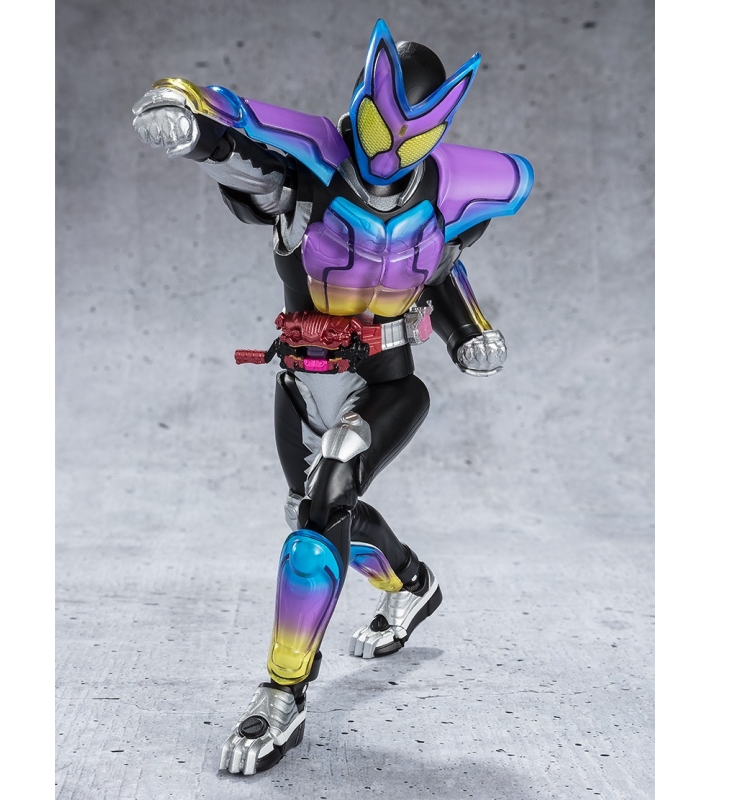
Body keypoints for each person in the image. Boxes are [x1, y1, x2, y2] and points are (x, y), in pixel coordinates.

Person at [132, 18, 533, 775]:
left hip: (386, 382)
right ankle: (412, 584)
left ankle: (283, 693)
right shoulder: (309, 171)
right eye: (380, 125)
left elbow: (438, 262)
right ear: (360, 104)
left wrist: (469, 329)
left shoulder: (453, 191)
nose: (390, 149)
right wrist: (189, 122)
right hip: (302, 380)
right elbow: (240, 146)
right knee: (315, 515)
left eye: (411, 135)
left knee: (327, 499)